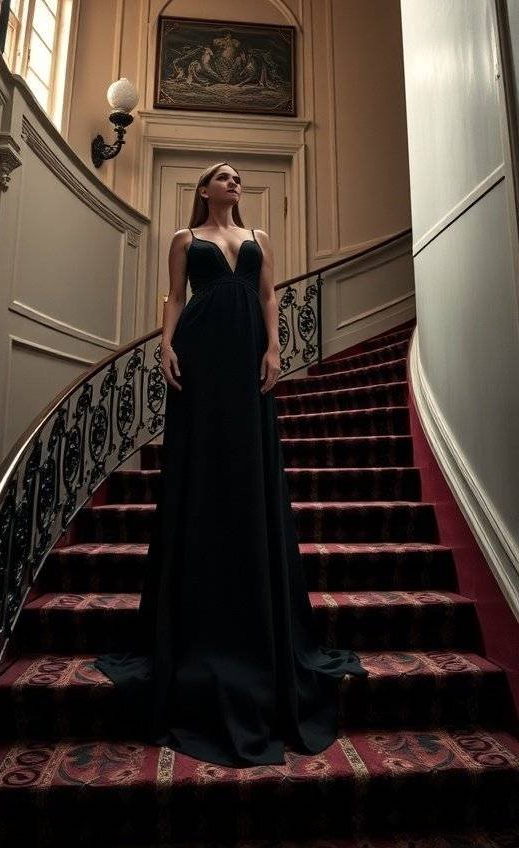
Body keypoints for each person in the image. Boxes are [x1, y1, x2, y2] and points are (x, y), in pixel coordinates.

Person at [93, 160, 367, 767]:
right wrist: (164, 344)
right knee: (200, 471)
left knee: (248, 474)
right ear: (204, 190)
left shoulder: (259, 239)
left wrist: (275, 349)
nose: (234, 181)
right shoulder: (183, 240)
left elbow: (269, 295)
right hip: (199, 350)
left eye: (239, 176)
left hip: (246, 355)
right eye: (223, 175)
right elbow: (173, 296)